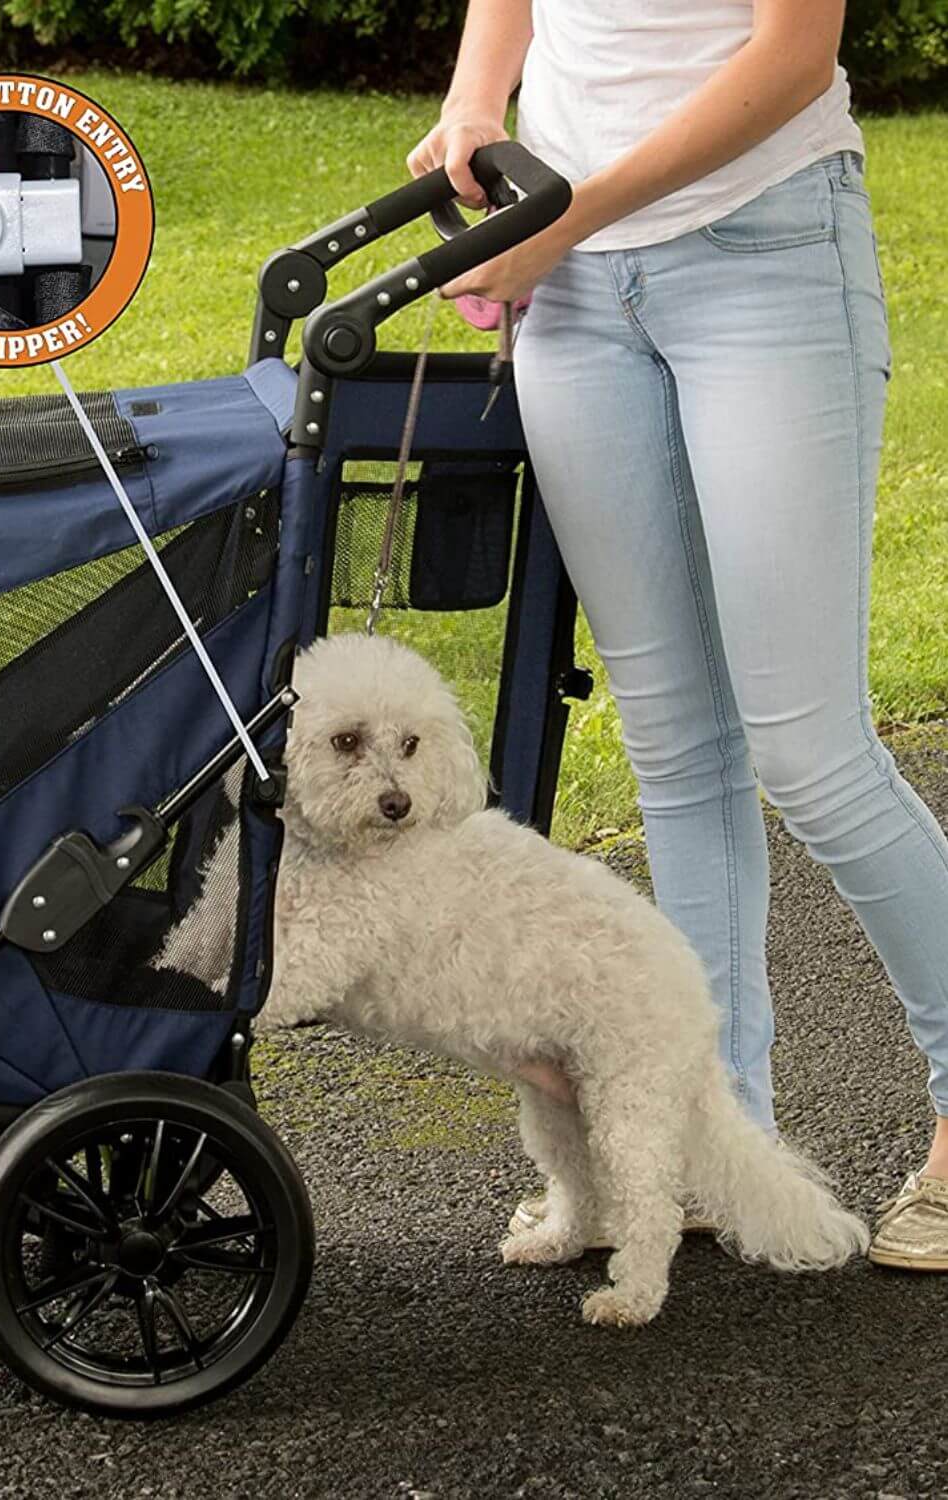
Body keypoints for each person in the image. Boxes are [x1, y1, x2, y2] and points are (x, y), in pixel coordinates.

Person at [408, 0, 948, 1270]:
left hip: (761, 252)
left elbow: (793, 55)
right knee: (676, 746)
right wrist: (477, 101)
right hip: (573, 288)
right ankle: (716, 1137)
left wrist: (566, 220)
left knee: (809, 749)